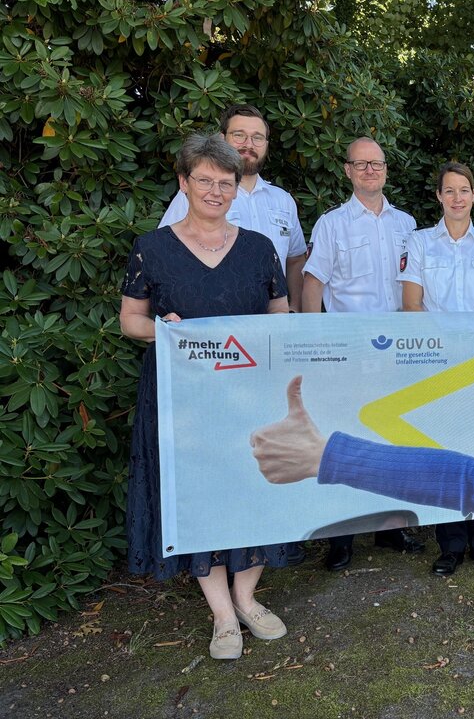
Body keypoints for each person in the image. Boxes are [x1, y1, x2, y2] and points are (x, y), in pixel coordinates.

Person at [119, 134, 289, 661]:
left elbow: (280, 318)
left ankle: (247, 597)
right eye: (205, 180)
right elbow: (129, 320)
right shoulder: (153, 247)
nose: (215, 190)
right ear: (184, 183)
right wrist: (162, 331)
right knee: (198, 497)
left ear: (237, 189)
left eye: (225, 182)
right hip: (183, 402)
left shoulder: (260, 248)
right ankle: (221, 613)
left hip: (249, 395)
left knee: (255, 489)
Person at [301, 136, 424, 571]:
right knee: (345, 440)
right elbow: (313, 284)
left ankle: (391, 527)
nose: (371, 171)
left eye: (377, 164)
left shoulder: (408, 225)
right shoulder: (331, 225)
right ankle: (341, 536)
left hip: (398, 350)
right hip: (347, 350)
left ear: (386, 170)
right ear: (348, 171)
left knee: (390, 437)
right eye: (362, 164)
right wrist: (313, 342)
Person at [398, 162, 474, 576]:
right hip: (437, 361)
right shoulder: (420, 241)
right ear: (439, 197)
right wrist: (446, 348)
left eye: (464, 190)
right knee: (443, 452)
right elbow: (412, 305)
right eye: (449, 191)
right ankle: (450, 544)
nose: (457, 198)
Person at [159, 104, 306, 314]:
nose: (248, 144)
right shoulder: (199, 195)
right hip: (212, 328)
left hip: (270, 328)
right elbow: (166, 252)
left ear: (266, 144)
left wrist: (294, 308)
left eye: (257, 137)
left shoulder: (283, 201)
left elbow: (295, 259)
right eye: (239, 135)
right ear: (221, 138)